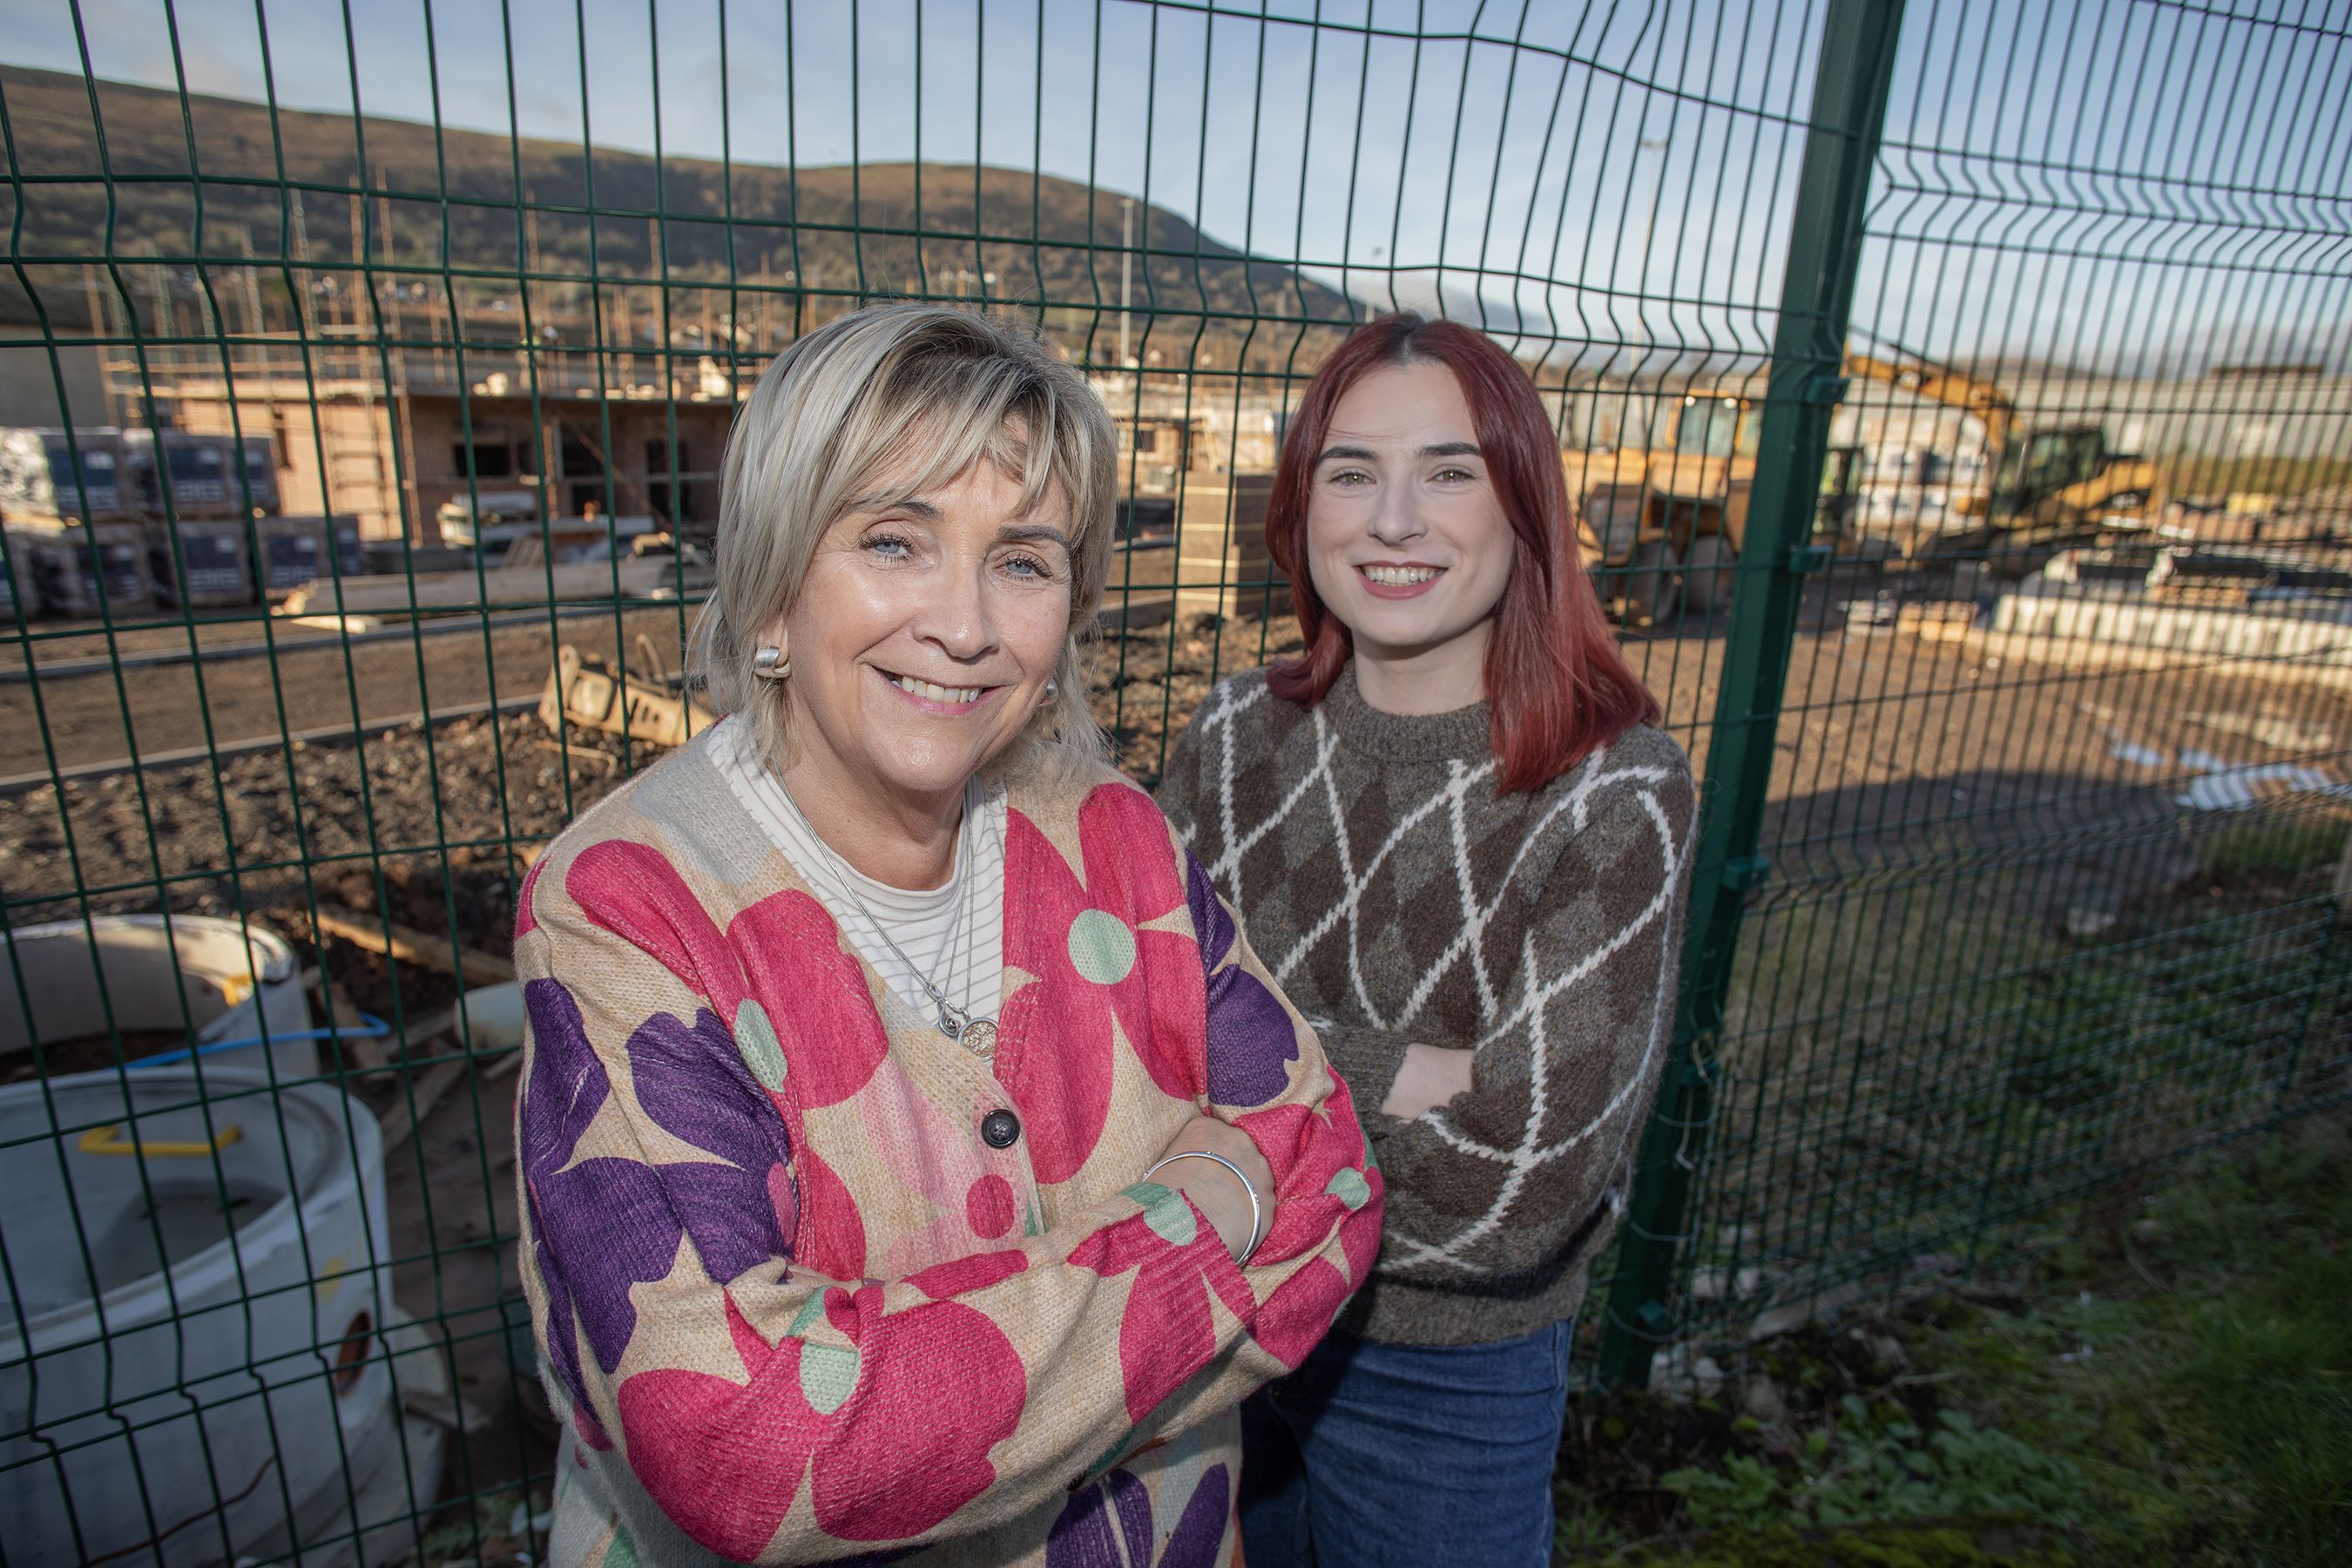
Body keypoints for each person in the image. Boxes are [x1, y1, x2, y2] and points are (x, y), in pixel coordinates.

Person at [513, 302, 1382, 1568]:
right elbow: (751, 1443)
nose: (966, 625)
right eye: (895, 541)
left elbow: (1336, 1177)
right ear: (771, 586)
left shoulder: (1117, 844)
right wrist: (1211, 1211)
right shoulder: (626, 906)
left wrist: (897, 1364)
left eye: (1023, 560)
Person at [1157, 313, 1694, 1567]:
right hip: (1206, 1339)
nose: (1394, 520)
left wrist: (1236, 1108)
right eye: (1352, 472)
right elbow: (1133, 1046)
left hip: (1439, 1383)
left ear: (1526, 510)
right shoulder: (1231, 743)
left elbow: (1524, 1193)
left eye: (1450, 472)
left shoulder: (1615, 796)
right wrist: (1410, 1069)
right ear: (1301, 511)